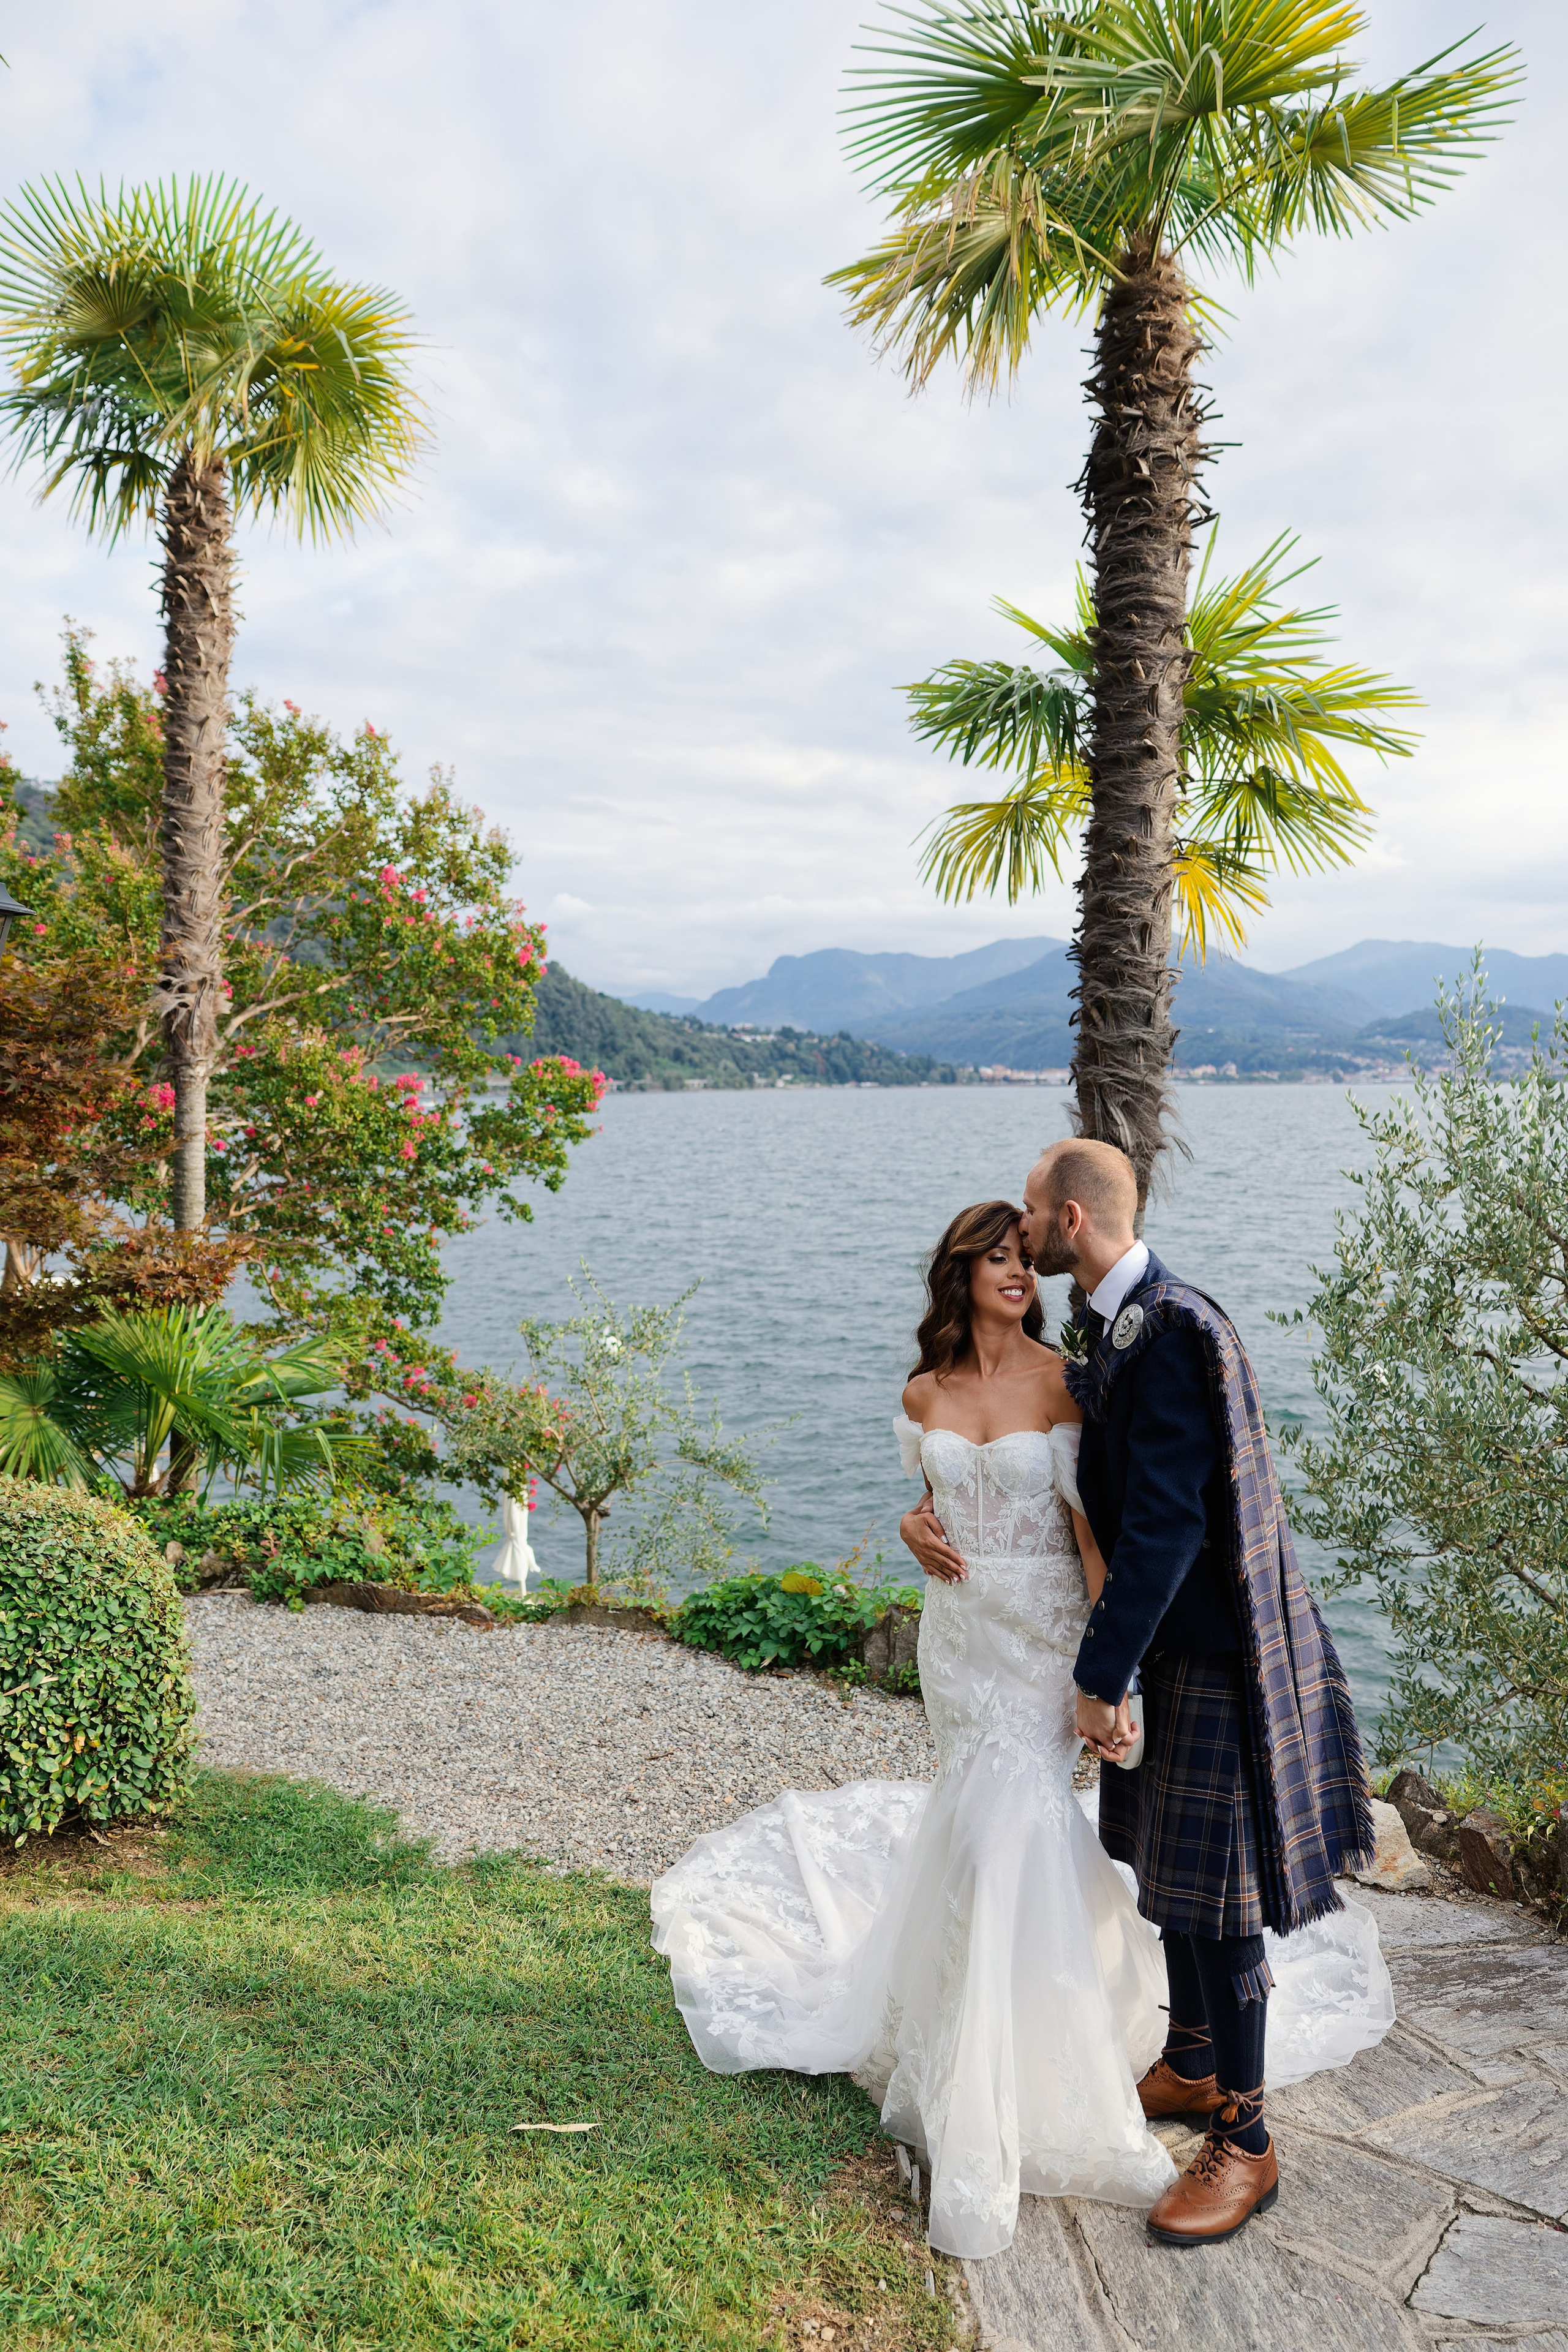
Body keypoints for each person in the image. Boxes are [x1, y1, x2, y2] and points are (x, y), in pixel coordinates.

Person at [652, 1185, 1392, 2261]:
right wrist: (915, 1523)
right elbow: (935, 1496)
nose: (1018, 1266)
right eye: (995, 1255)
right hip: (961, 1643)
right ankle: (1162, 2050)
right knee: (980, 1827)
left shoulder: (1073, 1378)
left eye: (1025, 1247)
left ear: (1063, 1231)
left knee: (1019, 1829)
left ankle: (1038, 2077)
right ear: (959, 1274)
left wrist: (1110, 1672)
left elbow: (1112, 1533)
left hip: (1045, 1647)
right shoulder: (922, 1391)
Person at [1014, 1136, 1378, 2244]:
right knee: (1169, 1880)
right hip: (1181, 1650)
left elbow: (1170, 1529)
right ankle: (1191, 2060)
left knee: (1218, 1911)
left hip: (1214, 1656)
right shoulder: (1121, 1320)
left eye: (1032, 1210)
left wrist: (1100, 1672)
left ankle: (1250, 2142)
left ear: (1072, 1220)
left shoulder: (1171, 1329)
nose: (1021, 1227)